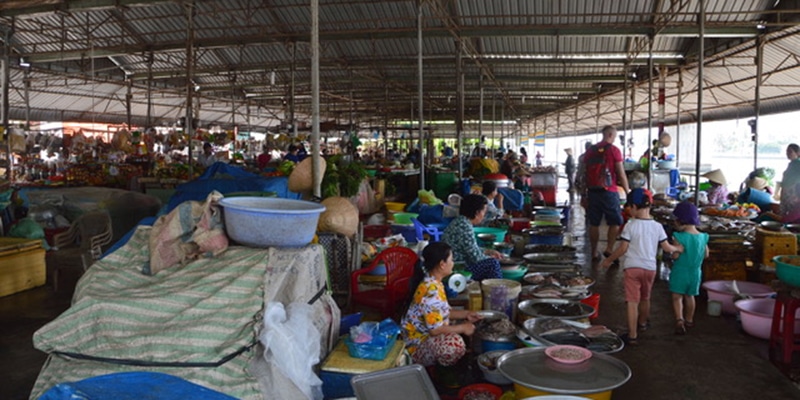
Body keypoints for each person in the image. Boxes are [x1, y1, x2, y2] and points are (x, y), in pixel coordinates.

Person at [601, 188, 682, 345]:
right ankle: (643, 323)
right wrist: (677, 249)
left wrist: (609, 260)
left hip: (632, 268)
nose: (629, 211)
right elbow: (666, 248)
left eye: (629, 207)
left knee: (632, 302)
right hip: (650, 269)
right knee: (645, 298)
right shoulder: (658, 227)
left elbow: (623, 249)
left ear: (634, 207)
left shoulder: (630, 226)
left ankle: (632, 335)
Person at [401, 242, 482, 367]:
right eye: (451, 259)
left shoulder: (434, 281)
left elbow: (442, 312)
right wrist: (463, 327)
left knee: (458, 329)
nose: (453, 263)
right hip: (416, 346)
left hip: (424, 336)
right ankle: (440, 372)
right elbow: (435, 330)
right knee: (454, 344)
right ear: (442, 264)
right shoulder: (431, 290)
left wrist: (467, 314)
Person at [585, 125, 630, 261]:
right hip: (609, 191)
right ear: (610, 135)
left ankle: (593, 251)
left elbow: (583, 173)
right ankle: (609, 249)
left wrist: (583, 193)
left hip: (592, 191)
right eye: (615, 136)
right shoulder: (614, 150)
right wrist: (628, 192)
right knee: (614, 221)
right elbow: (621, 174)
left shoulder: (590, 150)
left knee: (594, 223)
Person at [669, 201, 709, 335]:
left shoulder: (678, 237)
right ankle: (689, 320)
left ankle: (679, 320)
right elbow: (706, 254)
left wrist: (672, 252)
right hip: (695, 272)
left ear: (681, 221)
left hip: (680, 271)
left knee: (677, 297)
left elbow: (675, 255)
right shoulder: (703, 237)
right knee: (690, 296)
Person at [442, 194, 503, 281]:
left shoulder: (461, 221)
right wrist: (492, 257)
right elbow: (476, 258)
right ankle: (497, 291)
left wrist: (487, 251)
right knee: (493, 264)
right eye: (484, 212)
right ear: (477, 213)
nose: (484, 216)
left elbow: (470, 249)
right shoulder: (464, 226)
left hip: (456, 263)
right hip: (457, 268)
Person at [762, 143, 800, 223]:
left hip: (792, 194)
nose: (787, 154)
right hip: (787, 194)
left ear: (798, 153)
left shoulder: (797, 163)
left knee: (789, 217)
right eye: (787, 151)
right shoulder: (792, 164)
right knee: (786, 215)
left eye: (790, 151)